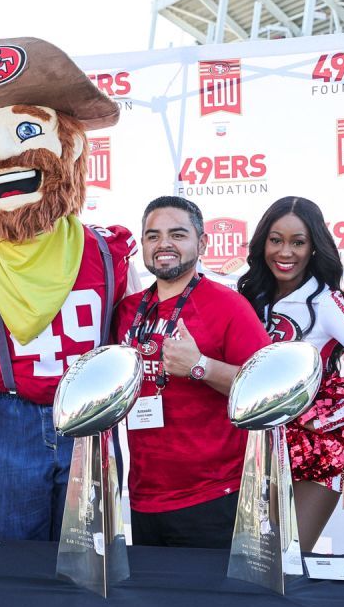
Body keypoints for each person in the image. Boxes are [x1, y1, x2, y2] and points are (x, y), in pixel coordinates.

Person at [0, 37, 139, 541]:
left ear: (71, 147)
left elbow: (132, 336)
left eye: (26, 132)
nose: (7, 154)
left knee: (89, 554)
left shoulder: (109, 252)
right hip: (12, 421)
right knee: (14, 555)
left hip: (91, 420)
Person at [236, 196, 344, 550]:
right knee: (249, 560)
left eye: (298, 242)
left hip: (310, 453)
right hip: (255, 445)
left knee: (284, 557)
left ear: (314, 248)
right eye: (275, 240)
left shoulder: (326, 304)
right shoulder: (252, 298)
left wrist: (332, 419)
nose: (285, 251)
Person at [114, 196, 269, 548]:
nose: (163, 244)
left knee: (210, 603)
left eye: (177, 234)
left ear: (201, 243)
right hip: (143, 496)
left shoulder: (227, 305)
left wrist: (200, 366)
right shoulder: (127, 311)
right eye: (153, 236)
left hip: (213, 495)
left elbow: (264, 390)